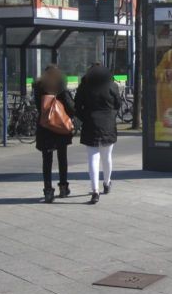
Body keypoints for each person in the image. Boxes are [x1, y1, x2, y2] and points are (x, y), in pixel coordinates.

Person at [75, 63, 121, 204]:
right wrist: (111, 115)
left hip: (91, 124)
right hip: (108, 124)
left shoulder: (85, 86)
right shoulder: (112, 86)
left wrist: (86, 118)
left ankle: (95, 191)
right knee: (107, 157)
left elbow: (77, 106)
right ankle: (106, 184)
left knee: (92, 159)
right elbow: (118, 104)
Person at [33, 65, 75, 203]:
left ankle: (48, 192)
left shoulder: (39, 87)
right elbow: (70, 107)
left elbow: (38, 107)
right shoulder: (61, 86)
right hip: (60, 128)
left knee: (47, 161)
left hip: (45, 128)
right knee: (62, 158)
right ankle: (63, 188)